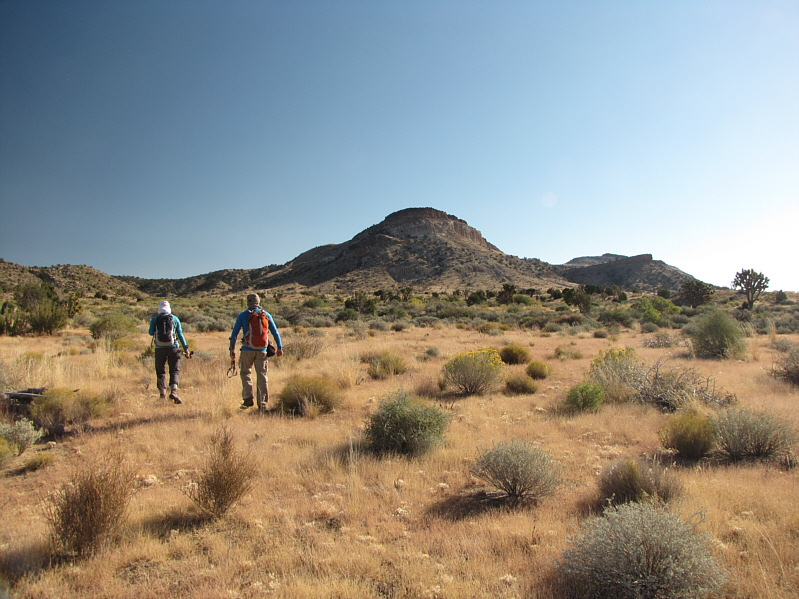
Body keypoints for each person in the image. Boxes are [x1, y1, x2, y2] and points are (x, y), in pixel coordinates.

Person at [229, 293, 283, 411]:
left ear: (248, 302)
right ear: (259, 302)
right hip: (262, 350)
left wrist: (231, 349)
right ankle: (263, 403)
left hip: (247, 350)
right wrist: (280, 347)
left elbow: (234, 335)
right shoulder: (266, 315)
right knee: (262, 376)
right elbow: (275, 332)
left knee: (245, 373)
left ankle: (248, 399)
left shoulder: (243, 315)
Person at [148, 300, 190, 404]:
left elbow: (150, 332)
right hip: (174, 348)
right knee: (174, 370)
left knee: (160, 371)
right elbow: (180, 334)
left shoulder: (155, 319)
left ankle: (162, 393)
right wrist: (186, 349)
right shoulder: (175, 319)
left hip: (159, 348)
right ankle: (174, 391)